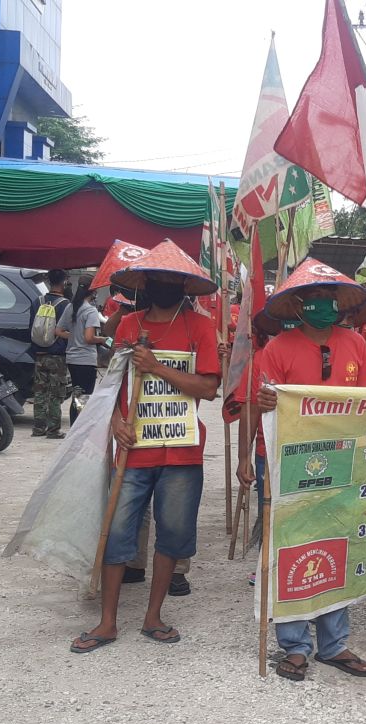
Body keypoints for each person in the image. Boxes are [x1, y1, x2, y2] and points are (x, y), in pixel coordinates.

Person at [70, 242, 220, 654]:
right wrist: (116, 420)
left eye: (173, 280)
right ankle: (107, 621)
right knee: (117, 533)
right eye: (158, 279)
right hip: (134, 451)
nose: (164, 286)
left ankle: (153, 615)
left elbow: (208, 387)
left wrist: (157, 368)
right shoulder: (128, 325)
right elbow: (113, 383)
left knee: (171, 536)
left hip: (183, 453)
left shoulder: (201, 328)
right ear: (146, 284)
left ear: (186, 287)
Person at [243, 259, 366, 682]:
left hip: (343, 458)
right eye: (314, 299)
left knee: (338, 543)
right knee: (290, 546)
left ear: (339, 303)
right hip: (286, 461)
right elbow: (263, 407)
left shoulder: (354, 343)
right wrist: (255, 442)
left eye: (328, 298)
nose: (322, 305)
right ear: (299, 306)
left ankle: (334, 643)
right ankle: (295, 644)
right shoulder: (276, 350)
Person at [56, 283, 107, 426]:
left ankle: (74, 427)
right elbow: (89, 338)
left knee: (77, 396)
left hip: (72, 359)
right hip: (86, 360)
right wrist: (103, 340)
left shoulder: (70, 307)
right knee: (84, 397)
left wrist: (74, 337)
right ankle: (80, 429)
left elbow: (58, 331)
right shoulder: (90, 311)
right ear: (93, 293)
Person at [31, 270, 71, 439]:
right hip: (57, 356)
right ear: (64, 283)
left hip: (39, 353)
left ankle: (38, 428)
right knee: (56, 393)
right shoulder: (66, 304)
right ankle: (53, 429)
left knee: (39, 392)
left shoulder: (36, 302)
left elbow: (31, 327)